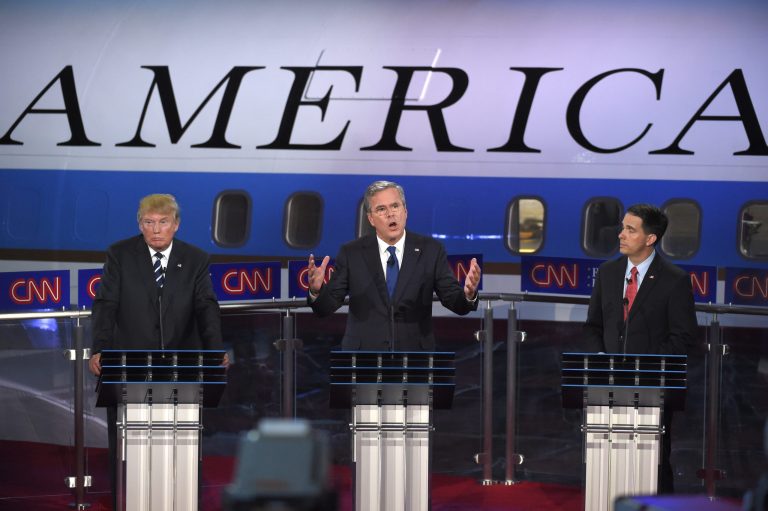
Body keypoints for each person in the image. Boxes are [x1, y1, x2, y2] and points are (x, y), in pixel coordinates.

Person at [88, 193, 227, 506]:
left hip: (181, 369)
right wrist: (98, 349)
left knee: (178, 448)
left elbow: (206, 308)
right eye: (149, 223)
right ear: (140, 225)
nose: (156, 229)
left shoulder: (195, 259)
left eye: (163, 222)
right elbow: (106, 305)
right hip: (128, 368)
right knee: (127, 450)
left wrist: (215, 352)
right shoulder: (120, 255)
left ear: (176, 225)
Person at [583, 203, 698, 493]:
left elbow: (683, 337)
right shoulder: (608, 272)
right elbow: (593, 326)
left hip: (651, 387)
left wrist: (642, 368)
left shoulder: (675, 280)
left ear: (650, 239)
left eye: (630, 230)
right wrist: (601, 361)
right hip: (606, 385)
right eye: (622, 227)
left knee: (654, 464)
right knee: (606, 460)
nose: (620, 234)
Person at [306, 180, 481, 351]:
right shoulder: (352, 253)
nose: (391, 214)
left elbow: (454, 302)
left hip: (413, 360)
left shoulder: (431, 250)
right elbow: (326, 308)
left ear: (405, 211)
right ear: (371, 219)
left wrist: (468, 294)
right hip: (364, 360)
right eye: (381, 209)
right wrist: (316, 291)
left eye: (395, 206)